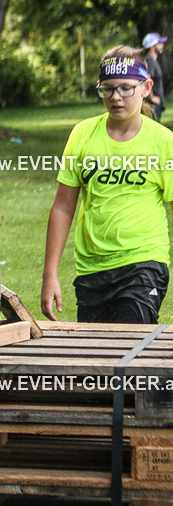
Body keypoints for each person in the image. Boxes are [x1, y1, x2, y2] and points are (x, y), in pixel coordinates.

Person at [41, 45, 173, 324]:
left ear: (146, 88)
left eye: (126, 88)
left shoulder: (163, 142)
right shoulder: (82, 135)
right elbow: (63, 208)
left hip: (144, 261)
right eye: (108, 89)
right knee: (96, 361)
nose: (116, 97)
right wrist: (49, 275)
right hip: (91, 268)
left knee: (127, 346)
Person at [143, 31, 167, 122]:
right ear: (152, 47)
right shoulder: (149, 60)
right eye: (159, 44)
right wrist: (152, 97)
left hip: (155, 106)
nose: (162, 45)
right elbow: (146, 78)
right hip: (152, 106)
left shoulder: (152, 60)